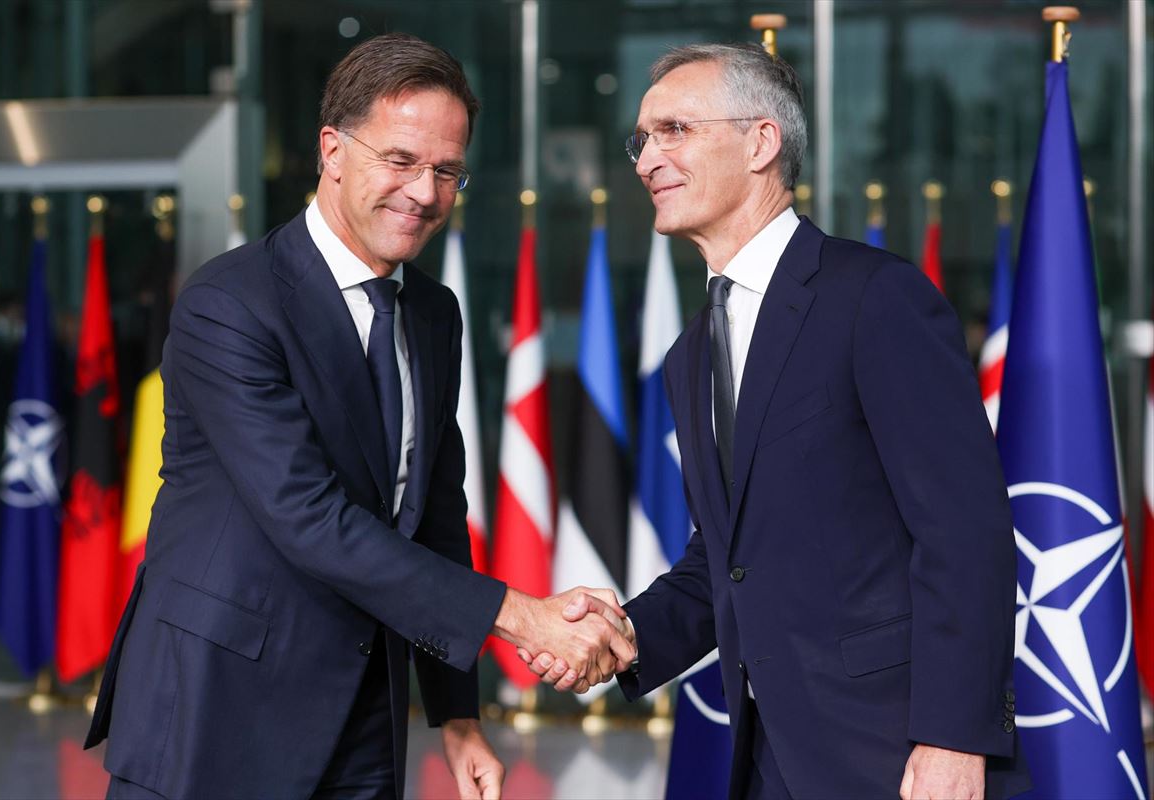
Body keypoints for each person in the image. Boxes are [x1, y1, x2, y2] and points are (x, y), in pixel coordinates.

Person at [85, 33, 634, 800]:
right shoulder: (230, 304)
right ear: (332, 150)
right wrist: (520, 618)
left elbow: (437, 513)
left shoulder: (434, 314)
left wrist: (455, 714)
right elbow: (310, 517)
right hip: (215, 717)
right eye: (401, 161)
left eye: (447, 171)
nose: (424, 192)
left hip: (366, 719)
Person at [524, 43, 1028, 799]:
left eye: (674, 131)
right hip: (765, 759)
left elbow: (964, 530)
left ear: (761, 142)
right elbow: (725, 557)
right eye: (641, 139)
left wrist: (953, 736)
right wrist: (627, 636)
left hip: (894, 753)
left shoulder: (876, 298)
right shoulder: (690, 354)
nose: (646, 159)